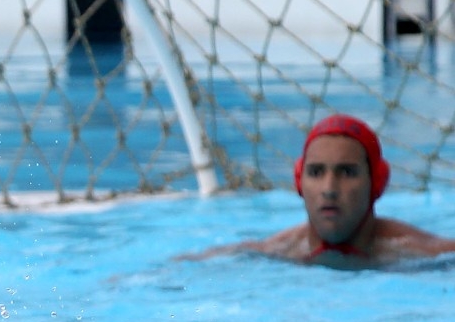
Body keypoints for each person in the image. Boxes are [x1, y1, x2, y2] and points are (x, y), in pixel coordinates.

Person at [188, 114, 455, 267]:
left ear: (376, 183)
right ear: (299, 181)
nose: (329, 189)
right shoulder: (273, 252)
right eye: (316, 173)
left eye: (347, 172)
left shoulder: (423, 252)